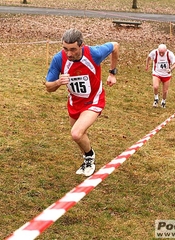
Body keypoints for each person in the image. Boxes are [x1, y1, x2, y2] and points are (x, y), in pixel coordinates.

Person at [45, 28, 119, 177]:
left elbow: (115, 46)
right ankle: (87, 159)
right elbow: (48, 87)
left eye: (73, 49)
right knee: (80, 135)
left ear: (81, 45)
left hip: (94, 101)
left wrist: (112, 73)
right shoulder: (59, 59)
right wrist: (59, 82)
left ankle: (90, 157)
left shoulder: (94, 53)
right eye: (65, 49)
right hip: (74, 102)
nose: (69, 53)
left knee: (76, 134)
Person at [145, 44, 175, 108]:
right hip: (157, 73)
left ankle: (163, 101)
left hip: (166, 75)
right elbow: (148, 58)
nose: (161, 54)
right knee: (155, 87)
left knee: (165, 91)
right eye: (160, 52)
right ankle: (156, 99)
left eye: (163, 53)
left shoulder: (170, 54)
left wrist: (171, 69)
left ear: (166, 51)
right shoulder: (154, 52)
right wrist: (147, 65)